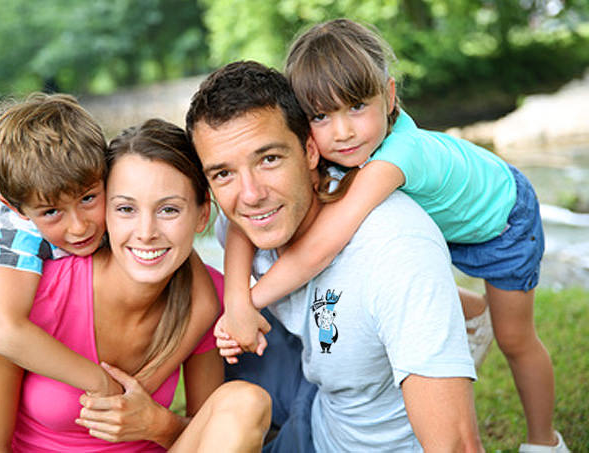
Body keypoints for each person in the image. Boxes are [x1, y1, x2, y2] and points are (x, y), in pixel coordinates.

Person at [217, 19, 568, 452]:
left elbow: (323, 247)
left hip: (501, 222)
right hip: (446, 222)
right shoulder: (347, 150)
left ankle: (544, 441)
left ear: (389, 95)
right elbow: (240, 225)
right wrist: (234, 298)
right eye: (321, 116)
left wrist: (247, 304)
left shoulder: (398, 155)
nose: (342, 132)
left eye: (356, 108)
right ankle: (467, 309)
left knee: (516, 338)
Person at [185, 60, 482, 451]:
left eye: (269, 159)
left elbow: (456, 445)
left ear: (310, 150)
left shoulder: (394, 247)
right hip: (316, 395)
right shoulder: (248, 219)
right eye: (223, 173)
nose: (251, 194)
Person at [0, 119, 272, 452]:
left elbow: (206, 434)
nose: (146, 231)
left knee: (246, 402)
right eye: (126, 208)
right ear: (108, 211)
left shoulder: (207, 296)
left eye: (169, 209)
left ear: (202, 216)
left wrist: (154, 422)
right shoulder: (30, 299)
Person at [0, 93, 220, 398]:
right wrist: (100, 383)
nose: (80, 226)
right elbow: (3, 332)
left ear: (103, 174)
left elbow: (206, 303)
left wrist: (149, 381)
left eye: (88, 198)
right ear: (19, 209)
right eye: (53, 211)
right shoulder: (17, 231)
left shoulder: (102, 189)